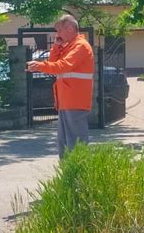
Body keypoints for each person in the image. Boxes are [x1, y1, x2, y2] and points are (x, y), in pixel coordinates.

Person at [26, 15, 94, 157]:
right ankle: (69, 176)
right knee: (64, 143)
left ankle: (78, 175)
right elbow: (54, 63)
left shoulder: (80, 46)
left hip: (75, 101)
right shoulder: (70, 47)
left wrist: (39, 66)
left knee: (75, 144)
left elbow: (61, 66)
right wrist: (56, 47)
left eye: (60, 30)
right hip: (67, 101)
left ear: (70, 28)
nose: (58, 34)